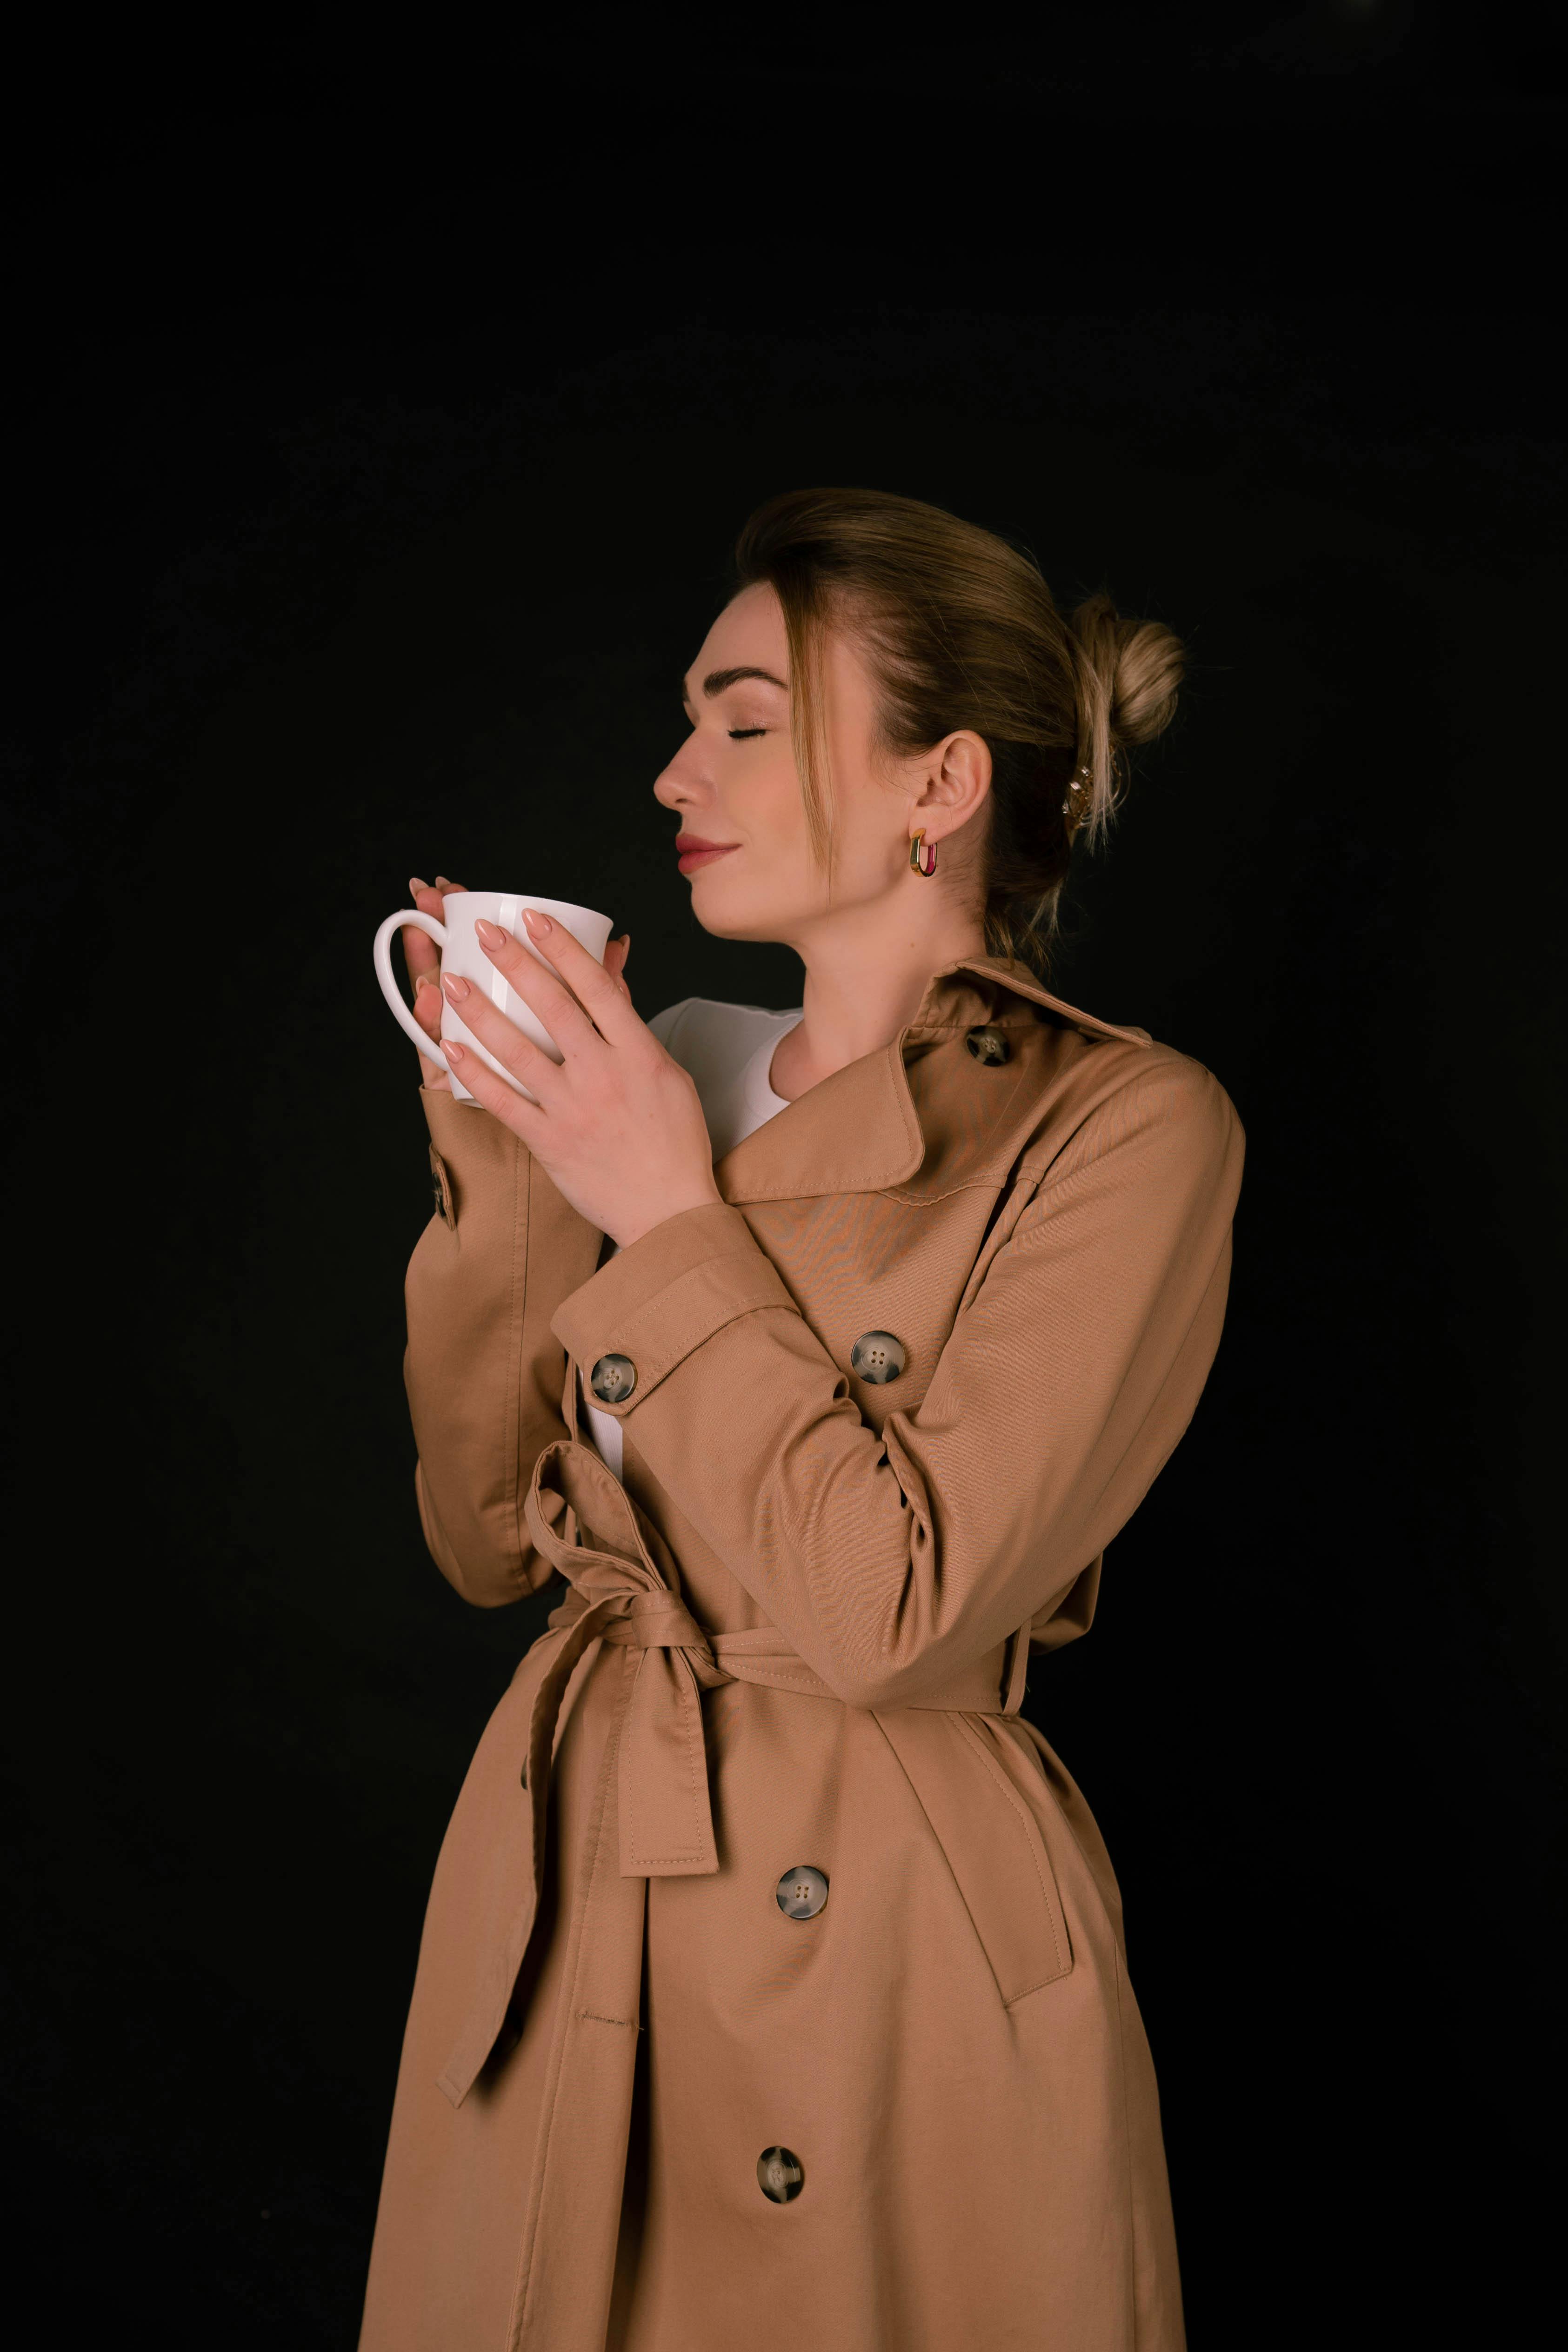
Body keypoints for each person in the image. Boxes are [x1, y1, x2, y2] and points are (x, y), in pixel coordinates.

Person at [359, 487, 1245, 2352]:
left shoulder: (1125, 1125)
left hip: (894, 1941)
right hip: (581, 1882)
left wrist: (666, 1207)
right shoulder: (657, 1053)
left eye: (749, 720)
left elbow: (895, 1608)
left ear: (942, 789)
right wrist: (506, 1138)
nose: (682, 764)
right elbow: (483, 1537)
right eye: (690, 715)